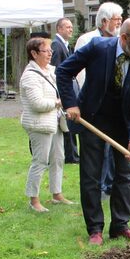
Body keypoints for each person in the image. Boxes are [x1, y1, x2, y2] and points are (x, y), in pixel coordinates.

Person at [56, 17, 130, 245]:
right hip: (94, 118)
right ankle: (95, 229)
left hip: (124, 123)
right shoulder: (98, 48)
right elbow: (64, 71)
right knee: (91, 175)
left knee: (125, 175)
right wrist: (71, 103)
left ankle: (120, 226)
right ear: (123, 38)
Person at [74, 2, 123, 199]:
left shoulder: (121, 40)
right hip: (93, 104)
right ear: (104, 21)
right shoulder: (88, 40)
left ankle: (110, 184)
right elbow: (78, 73)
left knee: (113, 149)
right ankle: (99, 187)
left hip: (115, 104)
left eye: (120, 20)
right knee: (97, 151)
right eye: (116, 20)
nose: (119, 23)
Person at [20, 37, 74, 212]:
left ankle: (57, 194)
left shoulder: (50, 71)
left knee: (58, 158)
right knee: (40, 161)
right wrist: (58, 102)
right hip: (39, 124)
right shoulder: (29, 75)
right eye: (46, 51)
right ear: (34, 54)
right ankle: (33, 199)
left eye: (51, 50)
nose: (50, 54)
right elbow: (37, 103)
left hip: (55, 122)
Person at [51, 18, 79, 164]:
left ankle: (72, 154)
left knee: (67, 124)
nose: (71, 29)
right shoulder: (57, 45)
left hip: (66, 89)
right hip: (62, 91)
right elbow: (56, 70)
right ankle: (71, 155)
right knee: (65, 124)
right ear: (59, 29)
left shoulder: (65, 45)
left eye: (71, 27)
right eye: (67, 27)